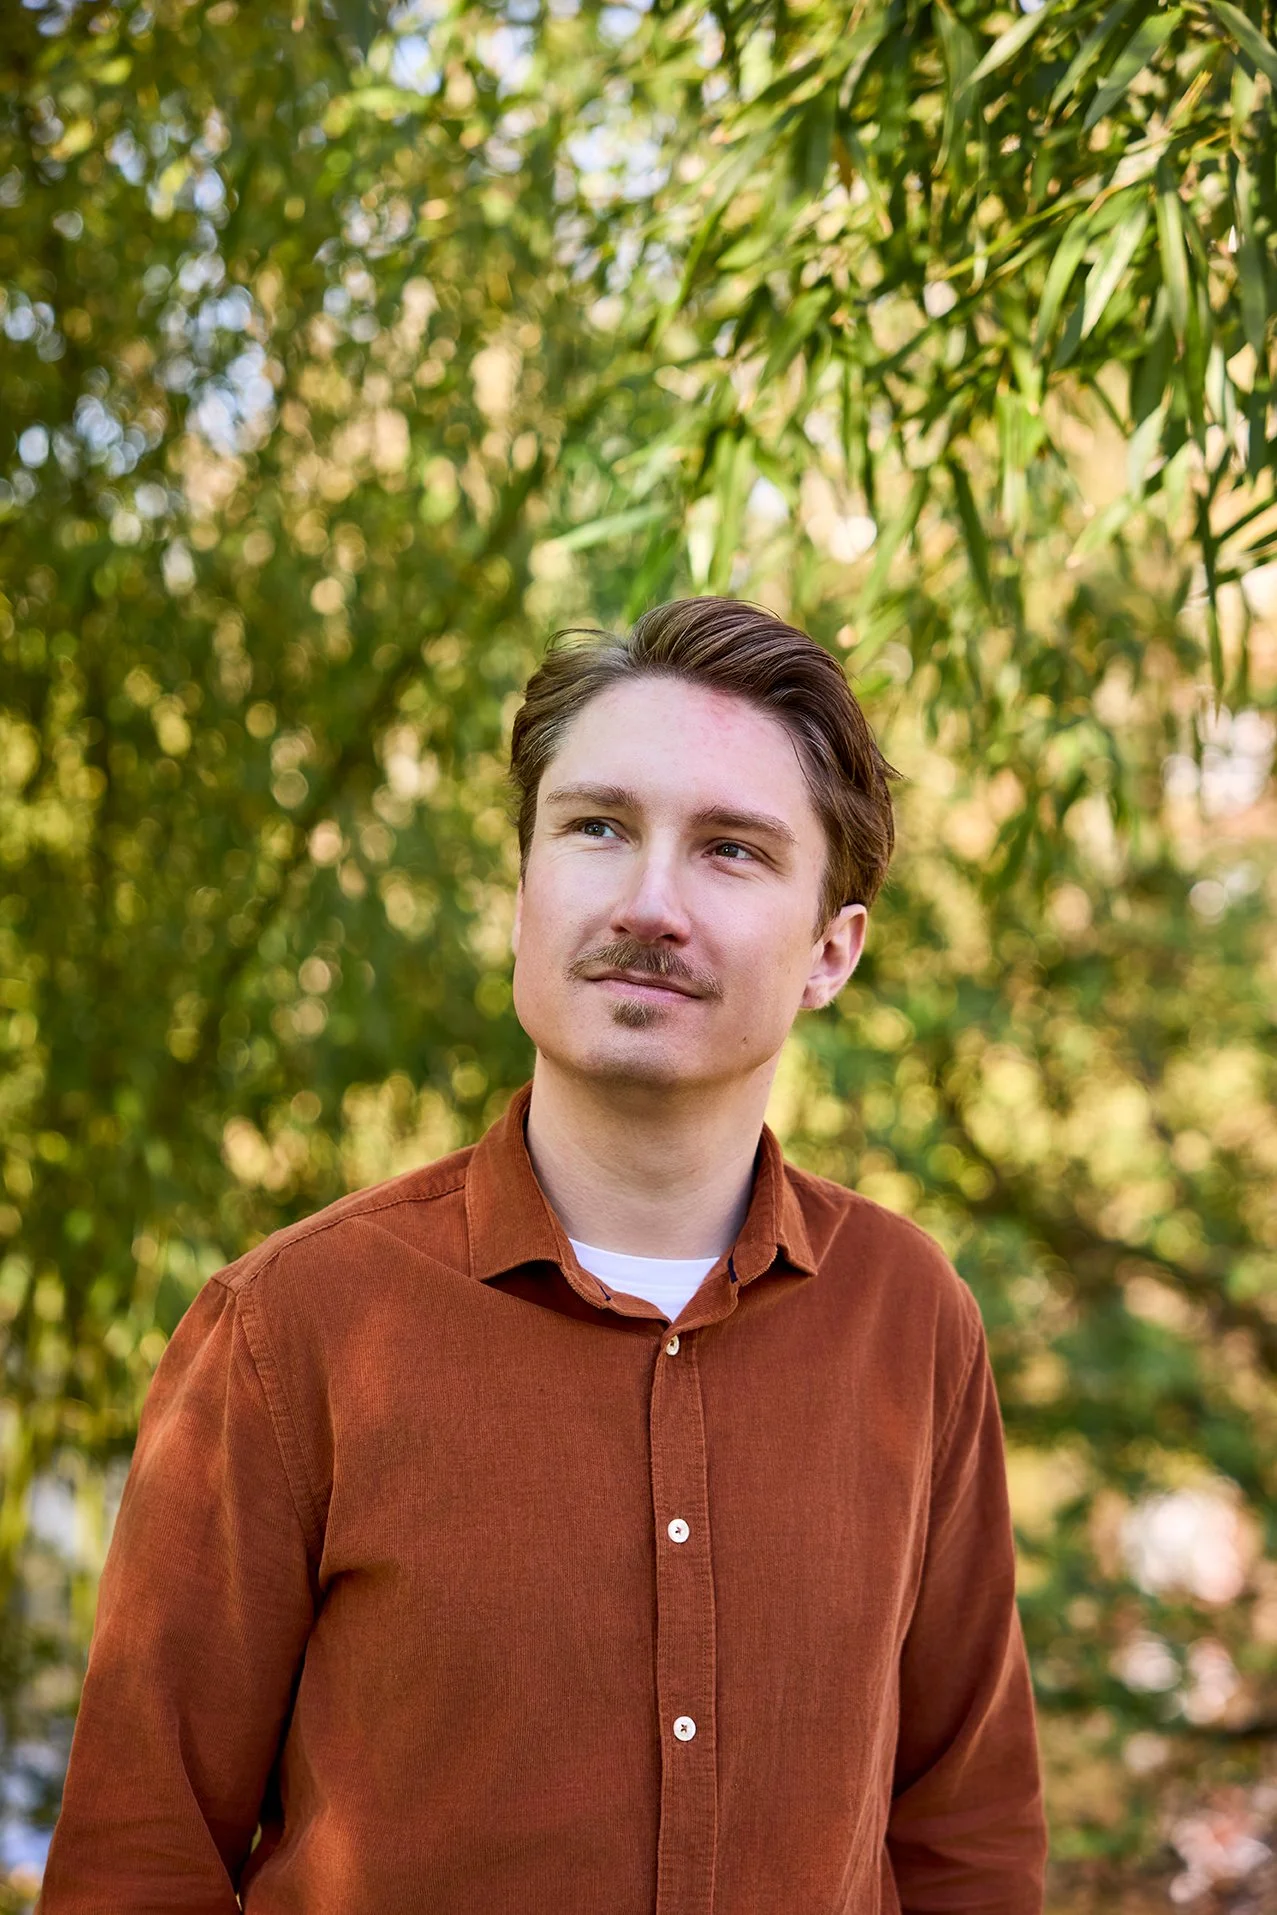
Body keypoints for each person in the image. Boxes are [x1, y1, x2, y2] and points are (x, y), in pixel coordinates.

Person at [40, 596, 1047, 1914]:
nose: (649, 902)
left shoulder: (911, 1319)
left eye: (731, 850)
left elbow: (965, 1837)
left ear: (831, 951)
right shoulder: (294, 1329)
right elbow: (138, 1865)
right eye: (596, 827)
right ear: (521, 885)